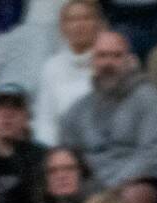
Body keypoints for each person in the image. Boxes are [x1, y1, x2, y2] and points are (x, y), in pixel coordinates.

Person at [57, 31, 157, 203]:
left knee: (137, 194)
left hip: (134, 188)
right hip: (91, 188)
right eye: (101, 56)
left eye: (115, 56)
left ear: (129, 61)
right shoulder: (79, 109)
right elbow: (66, 155)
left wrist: (114, 184)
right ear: (93, 63)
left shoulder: (151, 100)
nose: (107, 63)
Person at [33, 0, 101, 146]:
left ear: (97, 24)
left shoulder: (109, 62)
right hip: (62, 154)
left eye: (86, 18)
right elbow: (45, 120)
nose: (79, 25)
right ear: (62, 28)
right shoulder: (51, 67)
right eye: (72, 20)